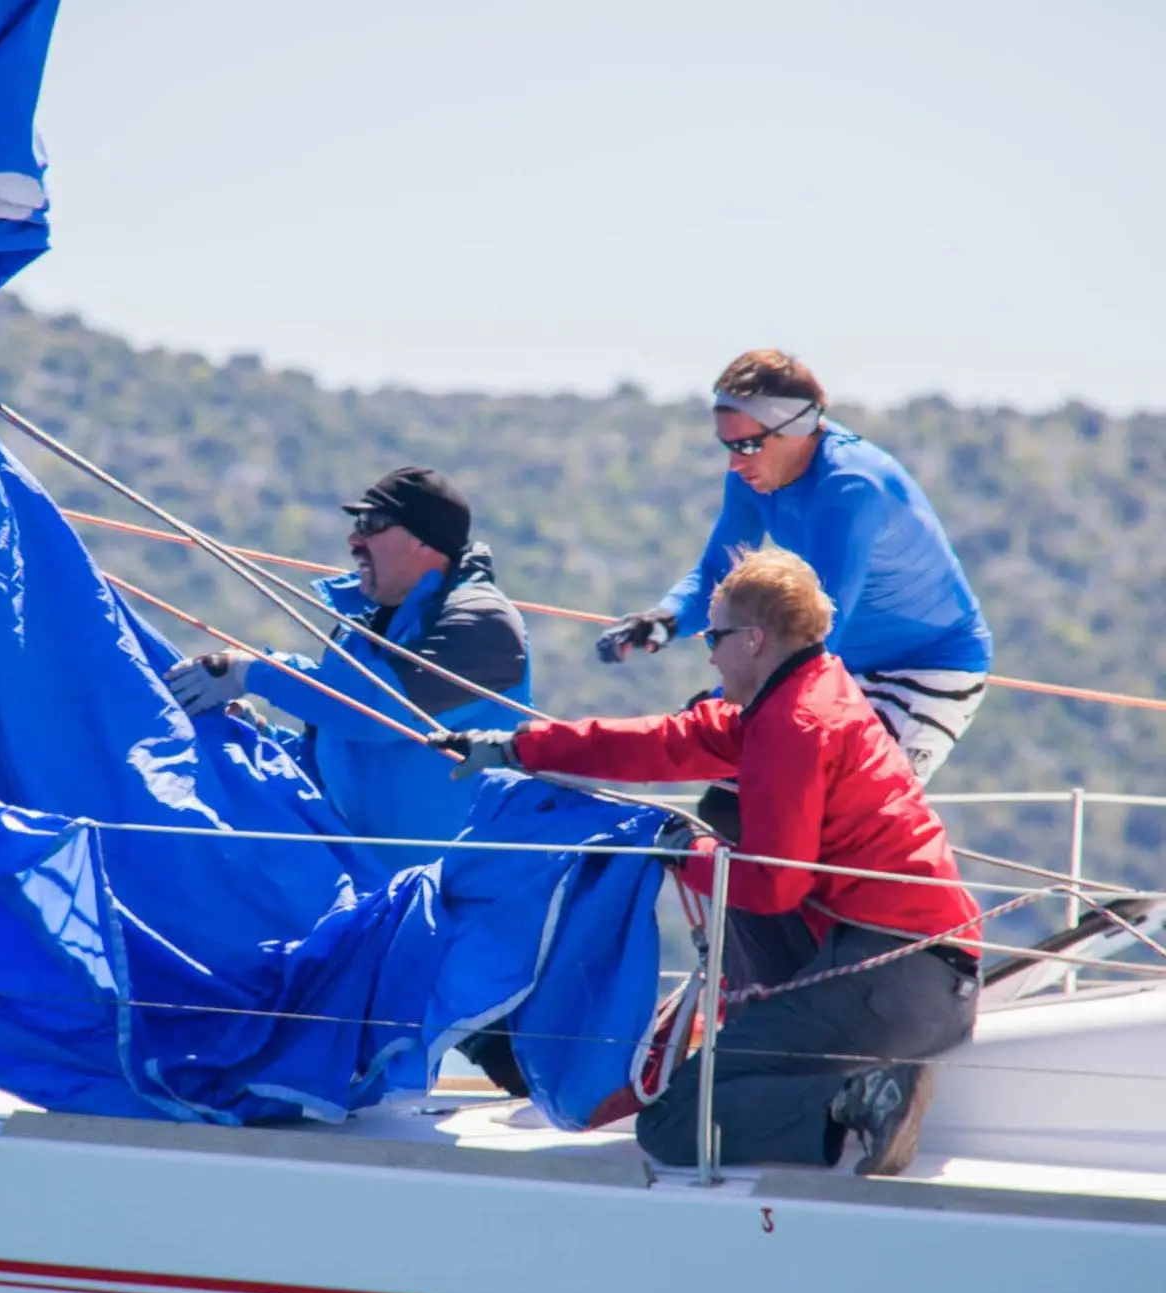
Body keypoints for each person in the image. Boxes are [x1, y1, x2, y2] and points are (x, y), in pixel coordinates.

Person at [432, 548, 980, 1176]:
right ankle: (834, 1075)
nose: (710, 655)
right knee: (717, 1065)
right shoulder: (807, 692)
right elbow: (666, 742)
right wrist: (518, 747)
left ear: (753, 640)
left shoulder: (794, 724)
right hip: (922, 972)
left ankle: (864, 1096)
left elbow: (772, 887)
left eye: (714, 637)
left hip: (892, 978)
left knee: (671, 1123)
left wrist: (686, 852)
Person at [597, 349, 991, 790]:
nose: (735, 462)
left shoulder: (850, 487)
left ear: (796, 430)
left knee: (838, 807)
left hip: (921, 670)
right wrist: (662, 620)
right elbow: (718, 574)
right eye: (728, 446)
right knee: (730, 801)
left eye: (748, 445)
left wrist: (716, 709)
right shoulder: (752, 474)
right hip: (834, 662)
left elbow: (818, 630)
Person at [164, 465, 530, 871]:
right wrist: (262, 737)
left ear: (425, 540)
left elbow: (376, 710)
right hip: (371, 890)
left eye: (372, 523)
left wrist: (252, 671)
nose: (354, 539)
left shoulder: (482, 623)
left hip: (466, 894)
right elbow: (331, 761)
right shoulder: (361, 630)